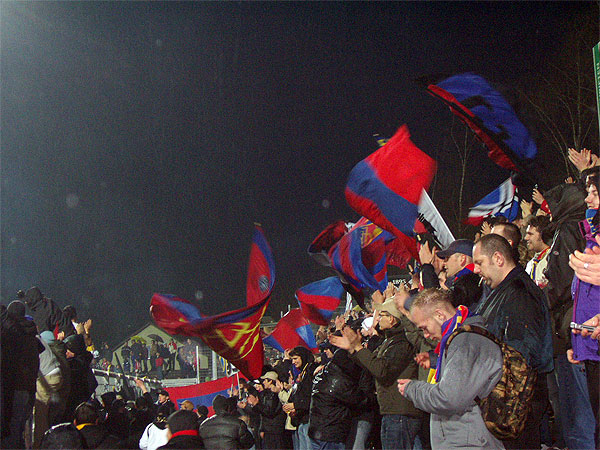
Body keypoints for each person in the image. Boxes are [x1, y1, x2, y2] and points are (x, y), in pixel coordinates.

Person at [472, 233, 553, 449]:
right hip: (507, 404)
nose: (476, 270)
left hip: (515, 408)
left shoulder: (519, 293)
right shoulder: (503, 291)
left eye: (479, 262)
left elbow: (520, 358)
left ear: (498, 258)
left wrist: (503, 405)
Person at [398, 288, 504, 449]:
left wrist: (412, 389)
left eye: (425, 328)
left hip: (470, 442)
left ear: (440, 315)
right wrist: (435, 361)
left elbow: (448, 398)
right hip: (466, 439)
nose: (425, 335)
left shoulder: (465, 341)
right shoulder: (460, 338)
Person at [330, 299, 422, 450]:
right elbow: (371, 366)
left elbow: (381, 370)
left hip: (400, 414)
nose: (378, 318)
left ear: (391, 319)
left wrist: (358, 348)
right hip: (392, 412)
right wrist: (353, 349)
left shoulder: (401, 343)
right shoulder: (389, 341)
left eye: (382, 315)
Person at [567, 167, 599, 445]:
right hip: (591, 345)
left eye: (594, 192)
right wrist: (578, 341)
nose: (588, 199)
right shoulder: (589, 239)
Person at [308, 344, 363, 450]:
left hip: (317, 431)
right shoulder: (340, 381)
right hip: (330, 434)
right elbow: (359, 400)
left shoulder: (322, 374)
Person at [283, 346, 318, 450]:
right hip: (301, 419)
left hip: (310, 420)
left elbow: (312, 397)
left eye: (295, 358)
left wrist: (295, 405)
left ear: (303, 357)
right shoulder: (303, 373)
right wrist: (295, 409)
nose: (293, 362)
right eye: (292, 359)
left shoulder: (311, 372)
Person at [436, 239, 481, 308]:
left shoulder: (469, 281)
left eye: (447, 258)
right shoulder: (468, 279)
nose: (444, 263)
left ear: (462, 259)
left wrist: (427, 268)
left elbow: (444, 307)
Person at [523, 215, 551, 288]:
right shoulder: (530, 264)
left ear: (542, 235)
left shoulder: (552, 260)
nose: (526, 238)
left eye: (530, 234)